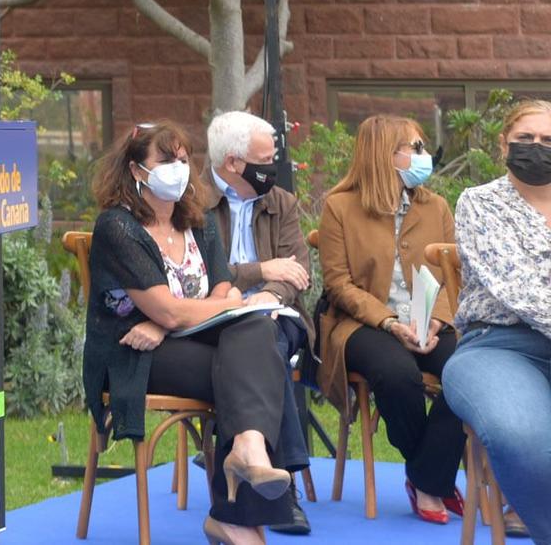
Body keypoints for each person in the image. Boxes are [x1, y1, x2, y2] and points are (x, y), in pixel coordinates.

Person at [83, 122, 302, 545]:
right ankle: (238, 505)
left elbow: (219, 285)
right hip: (134, 354)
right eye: (166, 161)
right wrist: (191, 314)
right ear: (136, 171)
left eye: (183, 160)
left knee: (256, 329)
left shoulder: (196, 221)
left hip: (183, 337)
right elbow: (167, 307)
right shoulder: (118, 228)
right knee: (252, 364)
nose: (179, 169)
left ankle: (247, 456)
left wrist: (181, 317)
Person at [316, 114, 464, 523]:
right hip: (363, 325)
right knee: (398, 374)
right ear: (384, 154)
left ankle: (424, 476)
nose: (424, 156)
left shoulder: (436, 206)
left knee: (469, 371)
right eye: (415, 148)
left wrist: (436, 320)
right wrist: (390, 322)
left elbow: (454, 276)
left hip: (430, 320)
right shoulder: (339, 207)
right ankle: (434, 481)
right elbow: (338, 285)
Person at [441, 98, 551, 540]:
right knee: (521, 434)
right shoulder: (480, 204)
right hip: (500, 346)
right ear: (503, 144)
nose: (537, 148)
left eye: (548, 141)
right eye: (526, 139)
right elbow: (518, 286)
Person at [206, 110, 315, 536]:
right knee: (255, 345)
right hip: (215, 318)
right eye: (266, 160)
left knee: (264, 337)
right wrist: (262, 270)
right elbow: (203, 275)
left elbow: (299, 271)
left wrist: (271, 294)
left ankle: (257, 493)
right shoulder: (193, 205)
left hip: (278, 315)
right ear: (233, 163)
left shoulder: (281, 202)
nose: (275, 168)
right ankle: (280, 493)